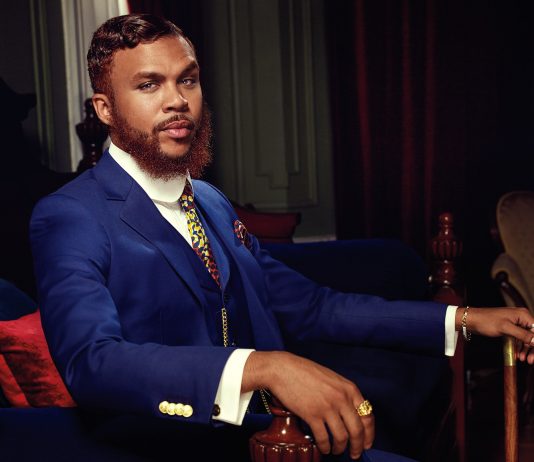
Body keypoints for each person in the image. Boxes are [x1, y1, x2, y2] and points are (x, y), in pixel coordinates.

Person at [29, 13, 534, 462]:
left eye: (188, 79)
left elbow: (313, 306)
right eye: (148, 85)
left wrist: (463, 319)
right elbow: (91, 361)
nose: (177, 100)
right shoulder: (71, 215)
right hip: (170, 444)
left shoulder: (209, 200)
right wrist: (263, 367)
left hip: (273, 436)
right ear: (105, 108)